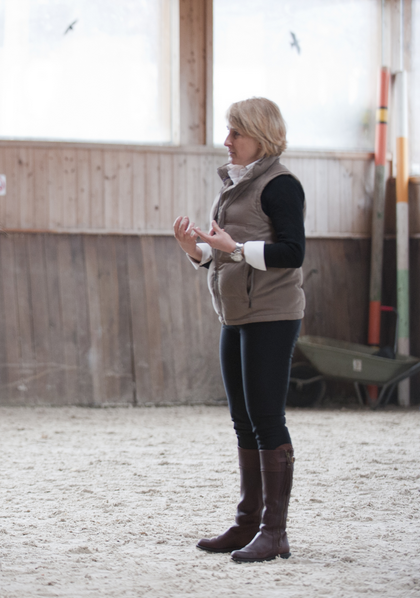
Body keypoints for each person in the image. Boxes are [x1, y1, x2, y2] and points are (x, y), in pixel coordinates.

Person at [173, 97, 304, 563]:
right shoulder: (236, 184)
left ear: (261, 138)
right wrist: (197, 251)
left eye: (236, 133)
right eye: (228, 132)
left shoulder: (281, 186)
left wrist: (236, 246)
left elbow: (293, 252)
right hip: (236, 314)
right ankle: (248, 522)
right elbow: (228, 253)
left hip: (272, 314)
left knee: (267, 419)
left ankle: (275, 532)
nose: (226, 141)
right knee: (243, 420)